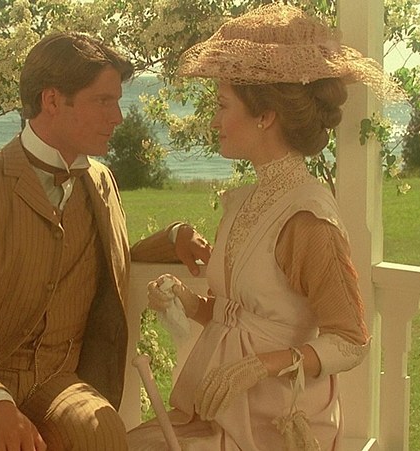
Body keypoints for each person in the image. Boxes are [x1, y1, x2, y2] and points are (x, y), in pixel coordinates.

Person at [0, 31, 209, 451]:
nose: (118, 117)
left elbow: (108, 255)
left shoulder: (101, 182)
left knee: (102, 433)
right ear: (52, 101)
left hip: (55, 381)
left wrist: (172, 238)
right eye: (103, 101)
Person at [127, 4, 400, 450]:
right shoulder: (245, 201)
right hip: (223, 409)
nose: (214, 120)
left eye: (222, 105)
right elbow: (239, 315)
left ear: (265, 115)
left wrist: (263, 365)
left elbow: (351, 342)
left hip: (278, 419)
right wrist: (185, 300)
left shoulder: (308, 219)